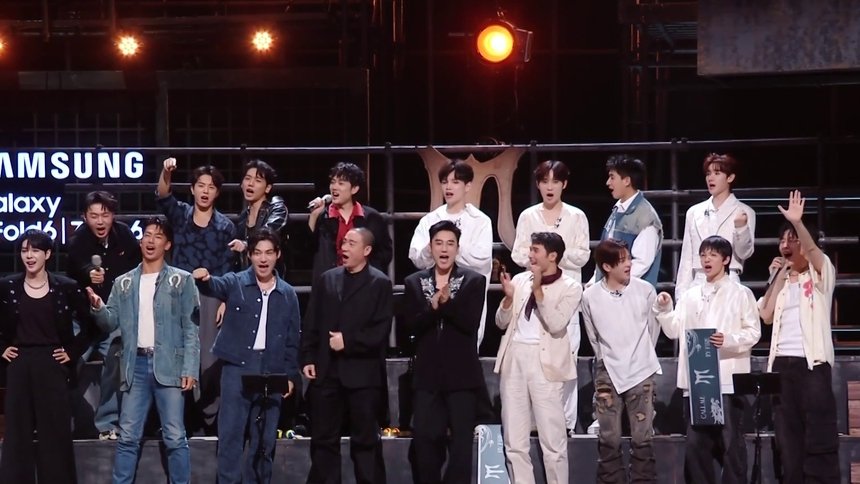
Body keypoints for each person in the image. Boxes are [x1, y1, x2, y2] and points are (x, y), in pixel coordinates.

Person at [86, 217, 200, 484]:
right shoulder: (124, 282)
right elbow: (110, 323)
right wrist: (98, 308)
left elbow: (191, 329)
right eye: (147, 235)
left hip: (169, 366)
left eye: (158, 236)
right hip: (135, 366)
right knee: (127, 437)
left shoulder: (182, 281)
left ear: (167, 244)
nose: (150, 241)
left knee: (174, 436)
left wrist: (190, 368)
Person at [193, 228, 301, 484]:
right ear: (250, 255)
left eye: (269, 253)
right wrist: (204, 279)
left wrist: (289, 375)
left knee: (264, 441)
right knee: (230, 436)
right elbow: (215, 285)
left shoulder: (288, 294)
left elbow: (292, 339)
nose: (263, 259)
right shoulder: (236, 282)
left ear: (277, 255)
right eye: (257, 253)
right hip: (237, 368)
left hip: (272, 369)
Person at [654, 235, 760, 484]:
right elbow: (674, 330)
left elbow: (753, 332)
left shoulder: (740, 293)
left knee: (731, 444)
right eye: (703, 255)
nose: (706, 260)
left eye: (712, 254)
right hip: (697, 382)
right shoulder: (690, 295)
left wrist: (728, 339)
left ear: (726, 259)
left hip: (726, 380)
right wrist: (665, 309)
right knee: (696, 446)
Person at [758, 190, 840, 484]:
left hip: (811, 366)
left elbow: (815, 253)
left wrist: (798, 223)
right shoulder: (782, 280)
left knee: (818, 439)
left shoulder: (820, 275)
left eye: (793, 240)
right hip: (781, 366)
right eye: (783, 240)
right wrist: (777, 277)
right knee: (788, 442)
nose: (786, 245)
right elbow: (765, 314)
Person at [0, 229, 94, 484]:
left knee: (55, 433)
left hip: (52, 364)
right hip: (19, 364)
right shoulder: (7, 286)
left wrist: (71, 352)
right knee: (17, 434)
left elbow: (90, 326)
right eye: (24, 250)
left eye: (35, 250)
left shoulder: (66, 287)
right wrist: (2, 348)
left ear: (48, 254)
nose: (29, 256)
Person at [301, 227, 392, 484]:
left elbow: (380, 331)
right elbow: (312, 321)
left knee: (365, 442)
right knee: (323, 440)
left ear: (367, 250)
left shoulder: (380, 283)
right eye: (344, 243)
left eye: (352, 243)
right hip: (327, 373)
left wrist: (348, 342)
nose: (344, 248)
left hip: (363, 376)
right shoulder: (327, 279)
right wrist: (308, 357)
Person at [403, 220, 488, 484]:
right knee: (425, 443)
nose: (444, 249)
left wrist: (447, 304)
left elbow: (469, 324)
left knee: (461, 447)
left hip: (462, 376)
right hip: (427, 376)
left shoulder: (474, 281)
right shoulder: (414, 282)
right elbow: (411, 326)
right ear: (430, 247)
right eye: (439, 243)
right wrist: (431, 309)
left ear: (457, 248)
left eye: (450, 243)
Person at [494, 232, 581, 484]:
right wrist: (508, 298)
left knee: (553, 440)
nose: (530, 255)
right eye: (530, 249)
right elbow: (501, 323)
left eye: (535, 250)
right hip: (514, 358)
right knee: (514, 439)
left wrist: (539, 292)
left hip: (546, 364)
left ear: (552, 256)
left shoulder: (571, 287)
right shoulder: (520, 280)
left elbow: (556, 324)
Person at [157, 157, 235, 435]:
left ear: (217, 192)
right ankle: (181, 421)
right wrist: (166, 172)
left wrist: (225, 299)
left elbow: (228, 268)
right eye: (200, 185)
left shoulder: (225, 226)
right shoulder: (180, 215)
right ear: (192, 189)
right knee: (177, 356)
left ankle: (210, 421)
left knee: (208, 361)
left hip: (211, 297)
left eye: (211, 187)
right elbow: (163, 195)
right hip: (178, 294)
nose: (205, 191)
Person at [512, 160, 589, 435]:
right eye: (545, 181)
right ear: (538, 184)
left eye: (555, 181)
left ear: (564, 184)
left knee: (566, 358)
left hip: (565, 294)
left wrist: (553, 256)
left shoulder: (576, 216)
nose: (550, 187)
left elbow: (583, 255)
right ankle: (536, 423)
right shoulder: (528, 216)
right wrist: (540, 260)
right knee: (536, 361)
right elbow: (517, 253)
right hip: (535, 294)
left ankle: (565, 424)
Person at [581, 239, 660, 483]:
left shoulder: (645, 290)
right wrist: (605, 360)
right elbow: (593, 336)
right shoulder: (590, 295)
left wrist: (641, 357)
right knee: (609, 437)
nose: (628, 264)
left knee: (642, 438)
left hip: (641, 369)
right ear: (606, 266)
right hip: (608, 371)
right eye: (622, 260)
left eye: (629, 258)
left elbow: (653, 329)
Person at [65, 190, 141, 440]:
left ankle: (107, 423)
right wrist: (90, 273)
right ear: (85, 217)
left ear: (113, 215)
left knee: (115, 362)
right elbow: (78, 267)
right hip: (83, 318)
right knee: (68, 363)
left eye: (105, 215)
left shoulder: (125, 236)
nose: (100, 221)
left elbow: (137, 270)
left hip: (113, 318)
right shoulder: (77, 241)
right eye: (94, 215)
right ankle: (61, 420)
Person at [409, 159, 493, 349]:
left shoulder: (480, 221)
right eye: (445, 182)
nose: (448, 187)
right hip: (432, 294)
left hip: (466, 297)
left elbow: (482, 258)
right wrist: (432, 248)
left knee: (465, 347)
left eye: (455, 182)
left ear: (467, 186)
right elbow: (416, 256)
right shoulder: (430, 219)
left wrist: (452, 249)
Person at [675, 153, 756, 300]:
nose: (710, 178)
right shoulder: (694, 212)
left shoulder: (744, 212)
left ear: (730, 178)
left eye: (717, 173)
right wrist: (681, 296)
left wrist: (741, 228)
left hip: (729, 282)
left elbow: (745, 253)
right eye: (708, 173)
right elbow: (686, 258)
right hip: (699, 283)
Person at [308, 162, 392, 283]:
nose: (334, 187)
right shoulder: (322, 217)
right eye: (333, 182)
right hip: (329, 284)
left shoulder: (371, 218)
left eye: (341, 183)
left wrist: (365, 273)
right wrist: (314, 216)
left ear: (354, 189)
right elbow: (308, 249)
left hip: (363, 283)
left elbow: (384, 253)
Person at [590, 154, 662, 287]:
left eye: (612, 177)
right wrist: (595, 282)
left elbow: (641, 263)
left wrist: (609, 283)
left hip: (630, 293)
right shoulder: (617, 211)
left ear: (627, 181)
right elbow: (606, 255)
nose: (608, 182)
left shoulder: (646, 217)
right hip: (611, 289)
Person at [229, 159, 289, 270]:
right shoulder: (243, 216)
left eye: (257, 180)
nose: (250, 184)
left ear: (268, 188)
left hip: (271, 274)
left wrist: (246, 245)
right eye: (247, 178)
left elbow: (268, 234)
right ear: (242, 184)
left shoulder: (277, 208)